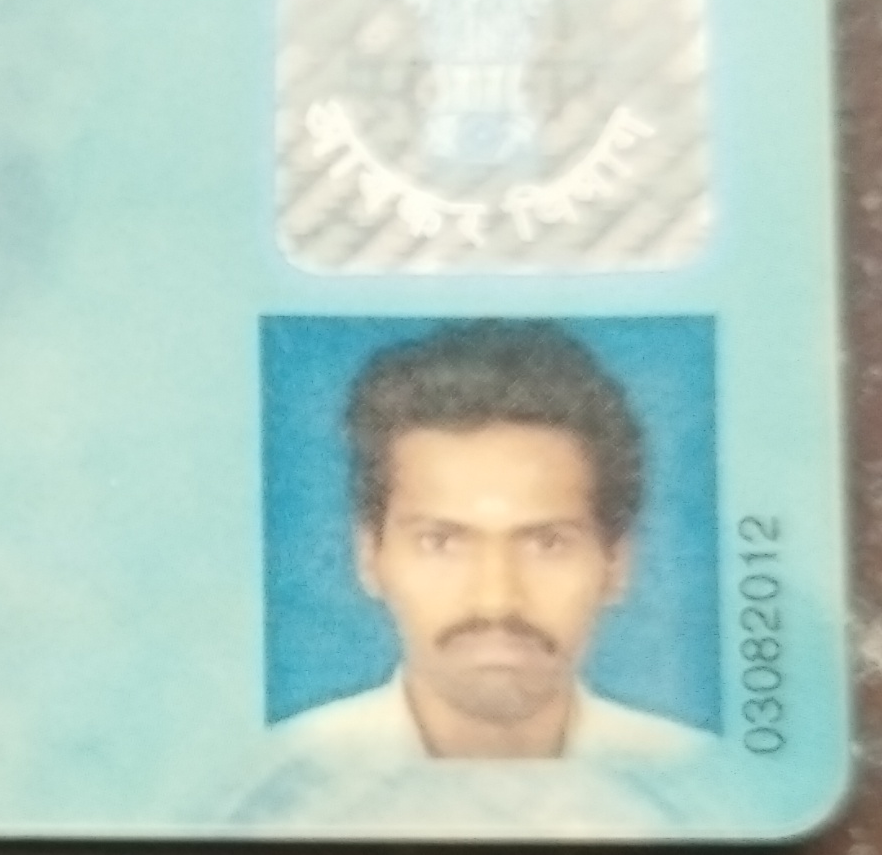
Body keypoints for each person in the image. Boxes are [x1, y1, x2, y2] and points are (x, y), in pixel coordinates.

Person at [267, 320, 707, 767]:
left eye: (547, 544)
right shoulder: (271, 784)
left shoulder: (702, 783)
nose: (495, 601)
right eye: (440, 542)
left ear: (617, 564)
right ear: (369, 558)